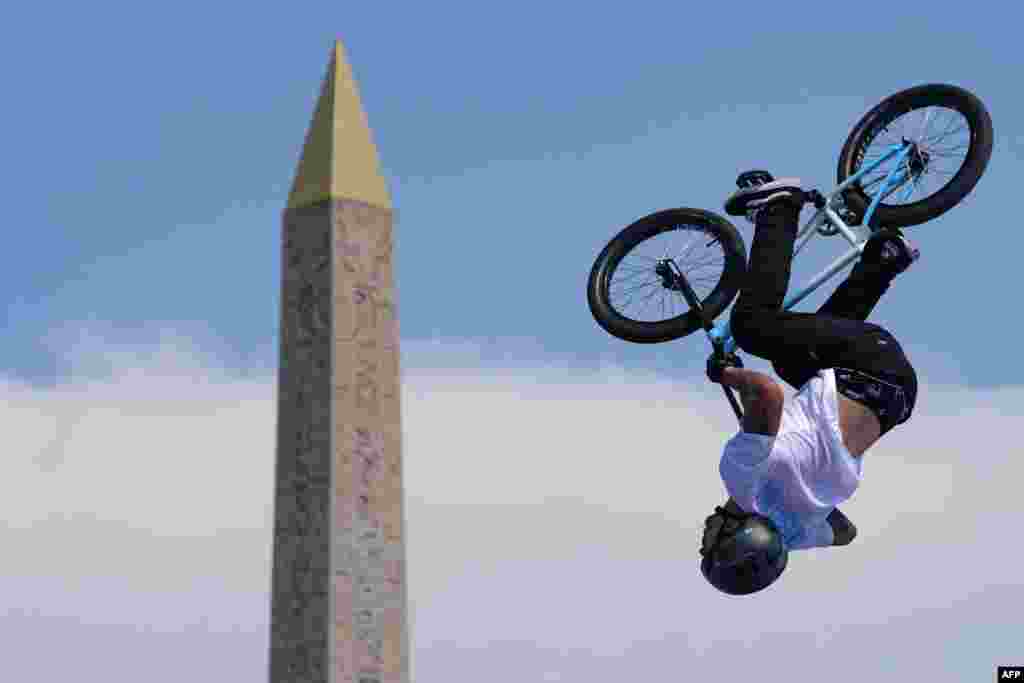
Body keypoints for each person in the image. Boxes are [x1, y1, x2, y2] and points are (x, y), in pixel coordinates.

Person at [699, 172, 920, 595]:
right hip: (865, 365)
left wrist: (804, 504)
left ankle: (885, 258)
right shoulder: (742, 480)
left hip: (896, 397)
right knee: (752, 328)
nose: (701, 538)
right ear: (736, 534)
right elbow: (765, 393)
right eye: (708, 545)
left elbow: (846, 531)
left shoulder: (801, 532)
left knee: (790, 357)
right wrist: (727, 373)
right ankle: (779, 208)